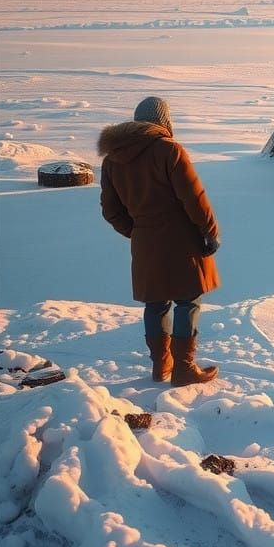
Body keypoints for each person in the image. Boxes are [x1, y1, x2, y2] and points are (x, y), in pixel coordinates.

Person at [98, 96, 221, 386]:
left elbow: (110, 210)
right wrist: (210, 231)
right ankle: (184, 368)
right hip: (182, 240)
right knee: (188, 301)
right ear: (164, 122)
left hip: (145, 242)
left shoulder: (112, 160)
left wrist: (138, 231)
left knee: (155, 304)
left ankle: (160, 366)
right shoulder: (169, 150)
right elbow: (194, 198)